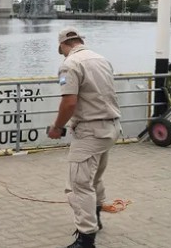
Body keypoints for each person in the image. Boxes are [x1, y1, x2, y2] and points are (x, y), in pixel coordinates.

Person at [47, 27, 121, 248]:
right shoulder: (101, 59)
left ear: (63, 45)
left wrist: (57, 127)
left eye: (60, 49)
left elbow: (69, 102)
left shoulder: (69, 65)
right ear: (80, 40)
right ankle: (95, 218)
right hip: (111, 127)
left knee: (78, 186)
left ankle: (86, 238)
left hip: (90, 132)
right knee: (94, 178)